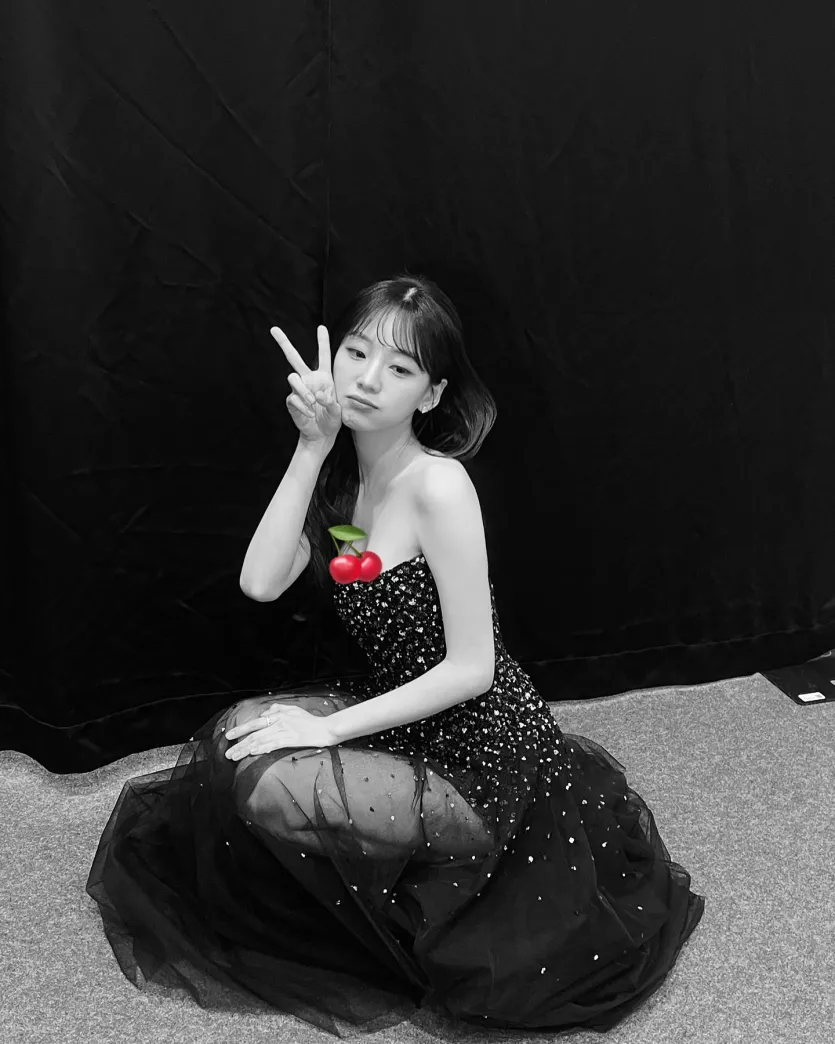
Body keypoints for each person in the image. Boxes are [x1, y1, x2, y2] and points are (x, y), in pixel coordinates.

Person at [86, 274, 705, 1038]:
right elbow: (259, 582)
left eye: (400, 366)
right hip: (402, 716)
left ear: (431, 394)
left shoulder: (438, 485)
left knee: (272, 787)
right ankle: (399, 876)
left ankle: (439, 876)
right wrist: (311, 446)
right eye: (356, 353)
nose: (368, 378)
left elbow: (472, 669)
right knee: (238, 734)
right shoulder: (342, 478)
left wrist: (327, 729)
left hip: (480, 753)